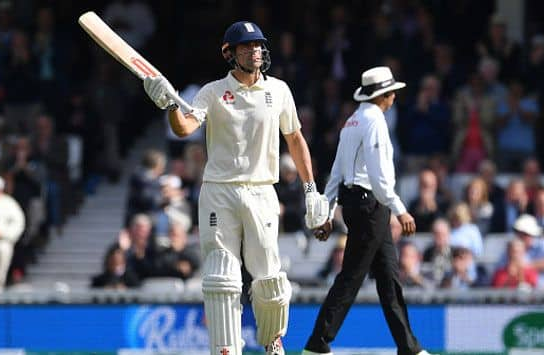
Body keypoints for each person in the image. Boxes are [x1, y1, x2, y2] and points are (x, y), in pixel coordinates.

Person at [143, 21, 328, 355]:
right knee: (222, 275)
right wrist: (170, 106)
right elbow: (185, 128)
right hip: (219, 191)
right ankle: (225, 349)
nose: (255, 51)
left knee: (268, 276)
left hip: (261, 190)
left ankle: (272, 340)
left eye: (258, 45)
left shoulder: (279, 91)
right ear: (229, 53)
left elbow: (296, 139)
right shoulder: (212, 92)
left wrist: (311, 189)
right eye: (246, 46)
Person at [302, 67, 431, 355]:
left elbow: (336, 172)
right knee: (352, 276)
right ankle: (317, 343)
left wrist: (327, 210)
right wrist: (401, 209)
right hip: (370, 205)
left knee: (389, 278)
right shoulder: (374, 121)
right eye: (391, 92)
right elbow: (378, 176)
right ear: (382, 95)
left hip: (362, 204)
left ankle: (408, 346)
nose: (395, 96)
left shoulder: (352, 121)